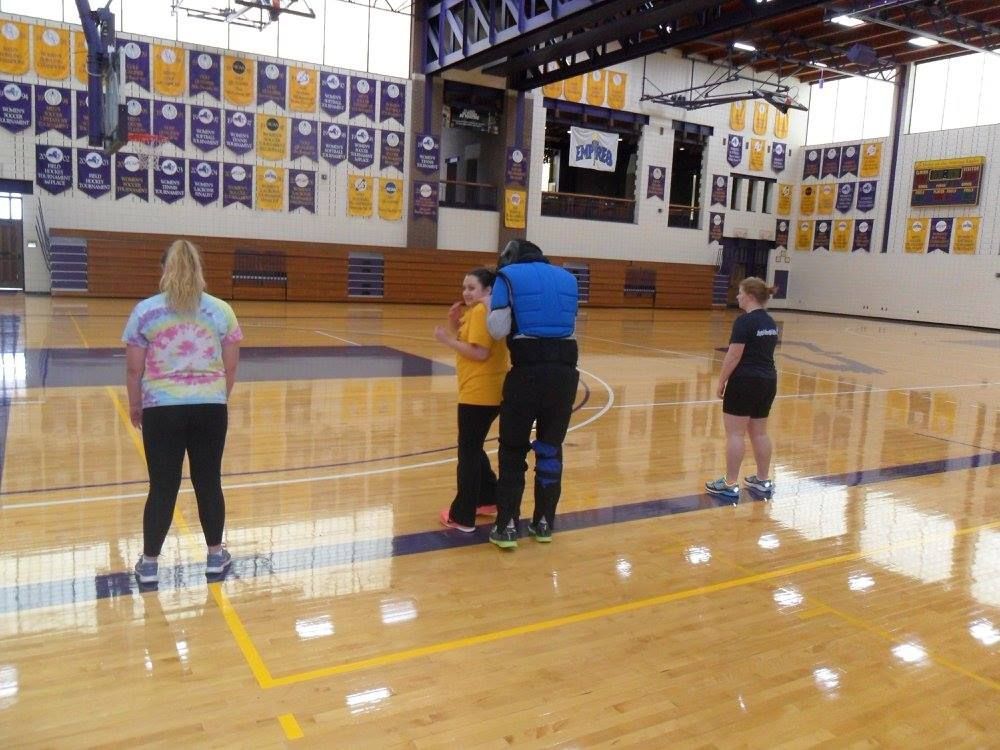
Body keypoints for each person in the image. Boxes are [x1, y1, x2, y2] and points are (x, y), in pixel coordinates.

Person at [123, 240, 243, 584]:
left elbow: (134, 371)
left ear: (164, 270)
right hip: (210, 408)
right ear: (199, 270)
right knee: (209, 482)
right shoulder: (221, 311)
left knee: (162, 486)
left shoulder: (145, 311)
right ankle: (215, 557)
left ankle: (148, 565)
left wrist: (136, 405)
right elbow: (230, 368)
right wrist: (216, 397)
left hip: (162, 411)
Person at [486, 239, 579, 549]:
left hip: (526, 374)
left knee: (512, 450)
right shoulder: (568, 278)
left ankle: (508, 525)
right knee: (551, 449)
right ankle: (544, 523)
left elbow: (498, 329)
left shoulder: (507, 277)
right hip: (565, 377)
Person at [434, 268, 509, 532]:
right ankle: (489, 498)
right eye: (464, 287)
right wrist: (455, 324)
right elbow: (472, 341)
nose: (466, 292)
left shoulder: (480, 311)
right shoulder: (481, 310)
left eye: (472, 288)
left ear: (488, 290)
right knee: (472, 447)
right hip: (485, 390)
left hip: (479, 393)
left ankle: (462, 516)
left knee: (467, 452)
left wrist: (446, 340)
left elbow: (479, 353)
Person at [705, 276, 779, 501]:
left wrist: (721, 381)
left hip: (745, 381)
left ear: (749, 295)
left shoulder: (744, 322)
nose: (736, 296)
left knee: (735, 433)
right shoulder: (769, 322)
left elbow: (734, 355)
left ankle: (729, 483)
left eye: (739, 292)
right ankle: (764, 479)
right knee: (760, 432)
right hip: (768, 381)